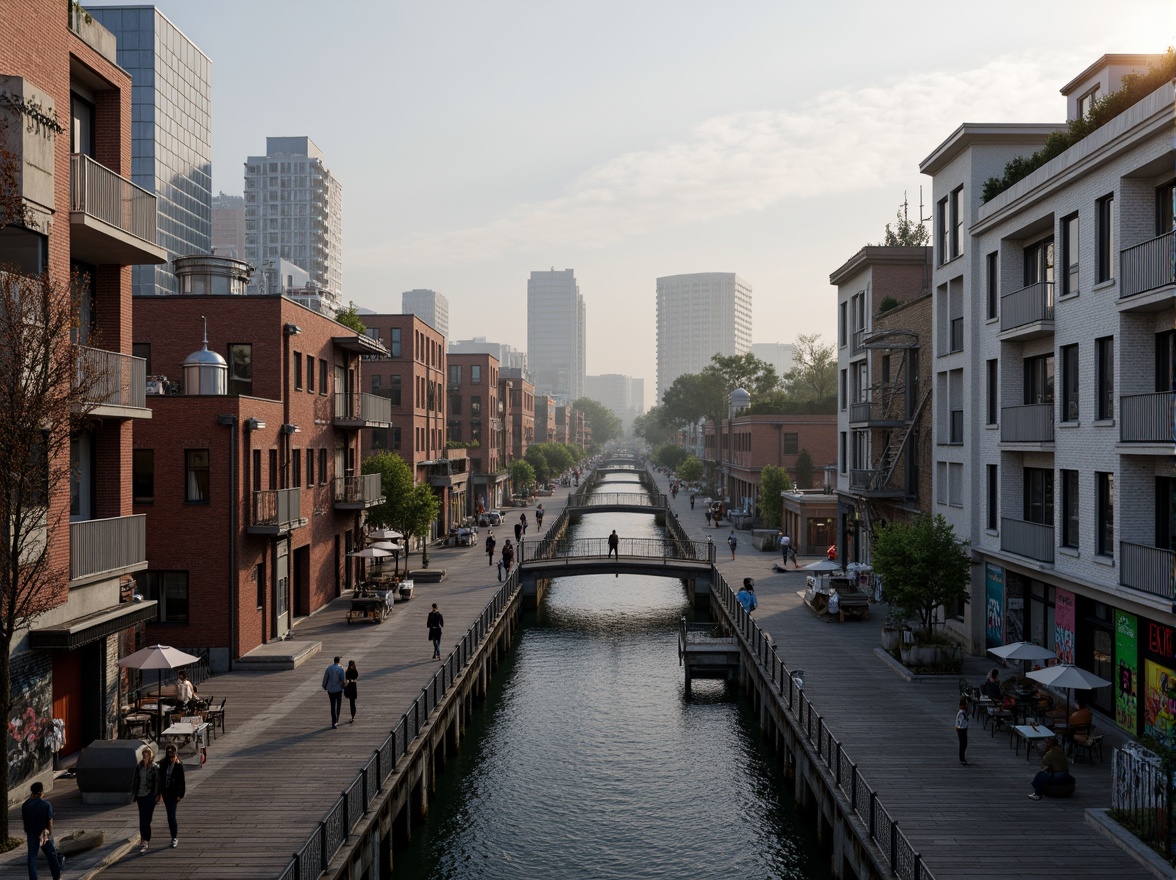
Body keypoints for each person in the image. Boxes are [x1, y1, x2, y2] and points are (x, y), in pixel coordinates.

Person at [22, 781, 63, 880]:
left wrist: (27, 831)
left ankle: (33, 878)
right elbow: (50, 822)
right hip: (44, 833)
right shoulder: (46, 804)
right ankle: (56, 877)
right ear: (40, 792)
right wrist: (49, 834)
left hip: (31, 833)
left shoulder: (25, 805)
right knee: (52, 856)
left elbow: (24, 820)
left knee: (32, 857)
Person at [131, 745, 160, 854]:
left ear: (150, 756)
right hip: (140, 795)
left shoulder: (154, 767)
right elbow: (135, 781)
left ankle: (146, 837)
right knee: (142, 817)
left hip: (150, 795)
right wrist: (134, 794)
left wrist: (157, 794)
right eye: (144, 755)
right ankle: (144, 839)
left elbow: (157, 782)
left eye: (147, 755)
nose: (145, 757)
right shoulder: (139, 767)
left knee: (147, 818)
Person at [159, 743, 186, 848]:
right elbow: (161, 779)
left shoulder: (179, 766)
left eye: (173, 756)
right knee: (169, 815)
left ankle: (174, 837)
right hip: (165, 793)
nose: (171, 758)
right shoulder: (163, 764)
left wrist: (181, 795)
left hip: (174, 794)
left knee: (171, 816)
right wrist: (159, 793)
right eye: (169, 756)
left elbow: (182, 782)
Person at [322, 656, 346, 729]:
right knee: (338, 705)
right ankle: (337, 720)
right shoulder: (341, 669)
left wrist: (324, 686)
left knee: (332, 705)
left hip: (331, 689)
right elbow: (343, 680)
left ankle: (333, 721)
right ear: (339, 661)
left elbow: (325, 677)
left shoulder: (329, 668)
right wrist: (344, 687)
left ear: (334, 661)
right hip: (338, 689)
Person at [956, 698, 970, 766]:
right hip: (962, 729)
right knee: (963, 744)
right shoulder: (961, 713)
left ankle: (962, 757)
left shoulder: (963, 712)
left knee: (964, 744)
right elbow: (960, 722)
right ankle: (962, 758)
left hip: (963, 729)